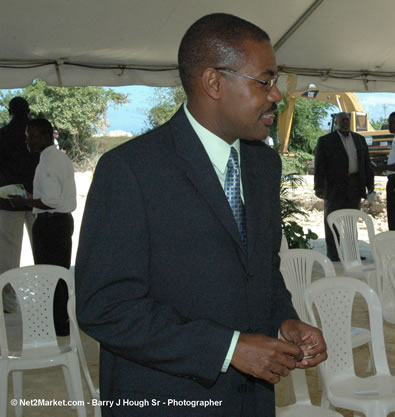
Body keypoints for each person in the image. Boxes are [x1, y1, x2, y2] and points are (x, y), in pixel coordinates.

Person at [75, 13, 326, 417]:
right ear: (214, 82)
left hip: (251, 401)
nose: (276, 95)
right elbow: (104, 307)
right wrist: (228, 349)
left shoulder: (263, 165)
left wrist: (284, 321)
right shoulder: (131, 170)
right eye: (265, 80)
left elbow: (261, 269)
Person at [9, 118, 77, 335]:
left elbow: (50, 200)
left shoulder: (48, 162)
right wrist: (33, 198)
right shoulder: (60, 158)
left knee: (48, 275)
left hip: (50, 223)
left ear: (47, 136)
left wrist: (25, 201)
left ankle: (55, 324)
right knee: (59, 273)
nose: (28, 140)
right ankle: (61, 321)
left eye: (33, 136)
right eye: (28, 136)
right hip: (61, 221)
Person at [314, 112, 374, 261]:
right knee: (332, 221)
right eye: (342, 121)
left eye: (347, 120)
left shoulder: (359, 140)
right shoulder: (325, 141)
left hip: (354, 186)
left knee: (351, 221)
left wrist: (370, 184)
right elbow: (319, 165)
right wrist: (318, 186)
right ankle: (333, 254)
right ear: (336, 123)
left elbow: (366, 164)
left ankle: (352, 254)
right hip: (334, 187)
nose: (346, 123)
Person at [0, 97, 39, 313]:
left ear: (10, 111)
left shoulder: (3, 134)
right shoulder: (38, 135)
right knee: (41, 252)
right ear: (29, 110)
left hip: (8, 202)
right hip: (37, 200)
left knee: (8, 256)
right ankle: (46, 296)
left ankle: (8, 302)